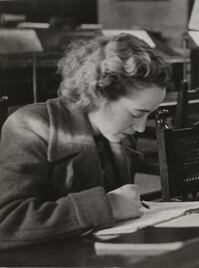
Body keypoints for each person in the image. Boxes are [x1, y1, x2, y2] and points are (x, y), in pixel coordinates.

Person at [0, 33, 170, 249]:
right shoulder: (30, 126)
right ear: (99, 93)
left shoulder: (117, 138)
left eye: (149, 115)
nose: (141, 128)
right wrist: (108, 206)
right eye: (136, 114)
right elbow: (5, 223)